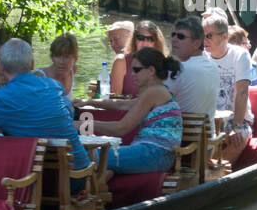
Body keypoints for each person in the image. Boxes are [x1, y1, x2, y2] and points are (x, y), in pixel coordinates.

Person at [0, 38, 91, 176]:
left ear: (1, 67)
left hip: (34, 181)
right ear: (32, 64)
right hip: (77, 174)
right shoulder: (54, 86)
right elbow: (69, 115)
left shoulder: (1, 98)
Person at [92, 48, 184, 177]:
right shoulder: (159, 90)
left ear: (151, 70)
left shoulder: (154, 92)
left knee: (86, 154)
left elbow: (120, 128)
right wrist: (88, 103)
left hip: (155, 154)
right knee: (100, 166)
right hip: (157, 155)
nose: (132, 74)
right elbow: (123, 104)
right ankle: (94, 188)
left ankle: (71, 193)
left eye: (136, 70)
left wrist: (84, 124)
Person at [202, 12, 254, 164]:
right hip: (209, 118)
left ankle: (214, 175)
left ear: (224, 36)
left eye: (209, 36)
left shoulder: (240, 55)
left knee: (239, 137)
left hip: (236, 118)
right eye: (202, 36)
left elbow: (242, 92)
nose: (204, 40)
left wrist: (236, 127)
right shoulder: (201, 56)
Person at [162, 16, 219, 119]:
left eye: (181, 36)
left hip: (180, 133)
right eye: (173, 35)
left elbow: (153, 100)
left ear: (196, 43)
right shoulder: (214, 67)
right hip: (208, 134)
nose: (174, 39)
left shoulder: (179, 69)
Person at [111, 20, 166, 96]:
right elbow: (114, 98)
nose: (145, 43)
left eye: (150, 39)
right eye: (141, 37)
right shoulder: (121, 61)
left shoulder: (163, 64)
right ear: (134, 39)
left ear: (156, 42)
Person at [38, 32, 78, 97]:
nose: (61, 62)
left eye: (67, 57)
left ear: (75, 58)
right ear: (52, 57)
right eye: (57, 56)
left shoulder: (73, 70)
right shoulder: (40, 77)